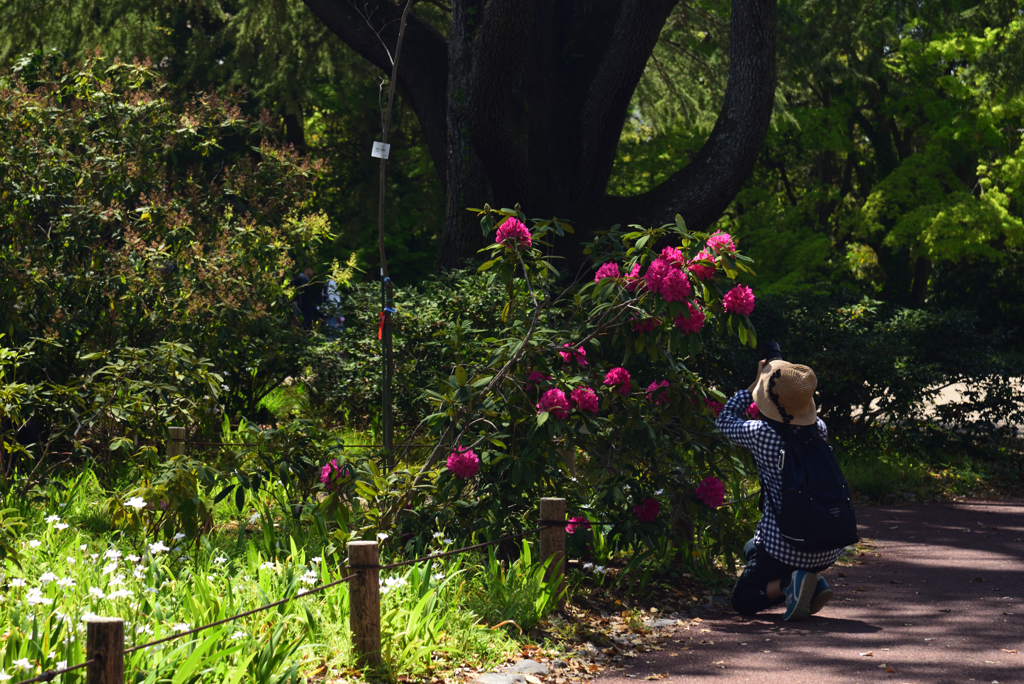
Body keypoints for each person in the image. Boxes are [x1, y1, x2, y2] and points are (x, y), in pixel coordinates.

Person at [715, 358, 844, 621]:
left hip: (784, 547)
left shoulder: (762, 432)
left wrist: (754, 384)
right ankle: (810, 580)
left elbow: (724, 420)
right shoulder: (819, 429)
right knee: (752, 547)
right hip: (827, 545)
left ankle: (789, 582)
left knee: (741, 600)